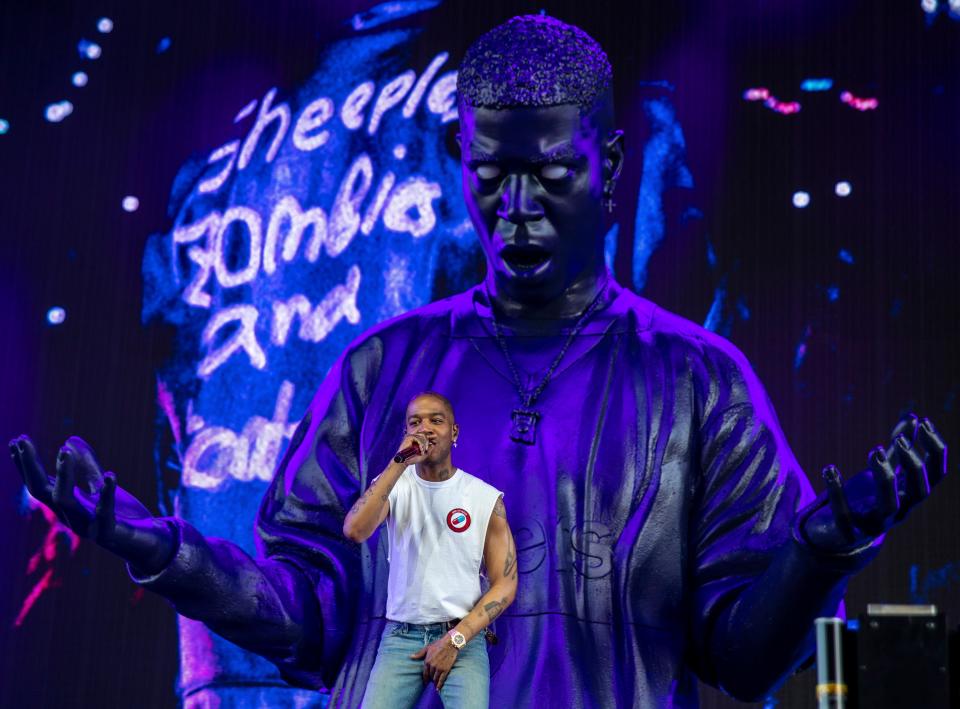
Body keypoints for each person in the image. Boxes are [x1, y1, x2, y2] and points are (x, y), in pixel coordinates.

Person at [9, 14, 948, 708]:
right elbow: (307, 616)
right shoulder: (380, 371)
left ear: (612, 167)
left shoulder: (700, 383)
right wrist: (162, 551)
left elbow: (742, 657)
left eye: (554, 174)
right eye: (494, 174)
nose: (518, 207)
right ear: (463, 157)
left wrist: (826, 548)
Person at [342, 391, 515, 708]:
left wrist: (456, 640)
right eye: (415, 422)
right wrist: (399, 462)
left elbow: (505, 584)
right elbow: (355, 530)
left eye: (436, 420)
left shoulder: (484, 498)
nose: (425, 428)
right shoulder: (394, 485)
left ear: (454, 432)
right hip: (400, 639)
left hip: (462, 639)